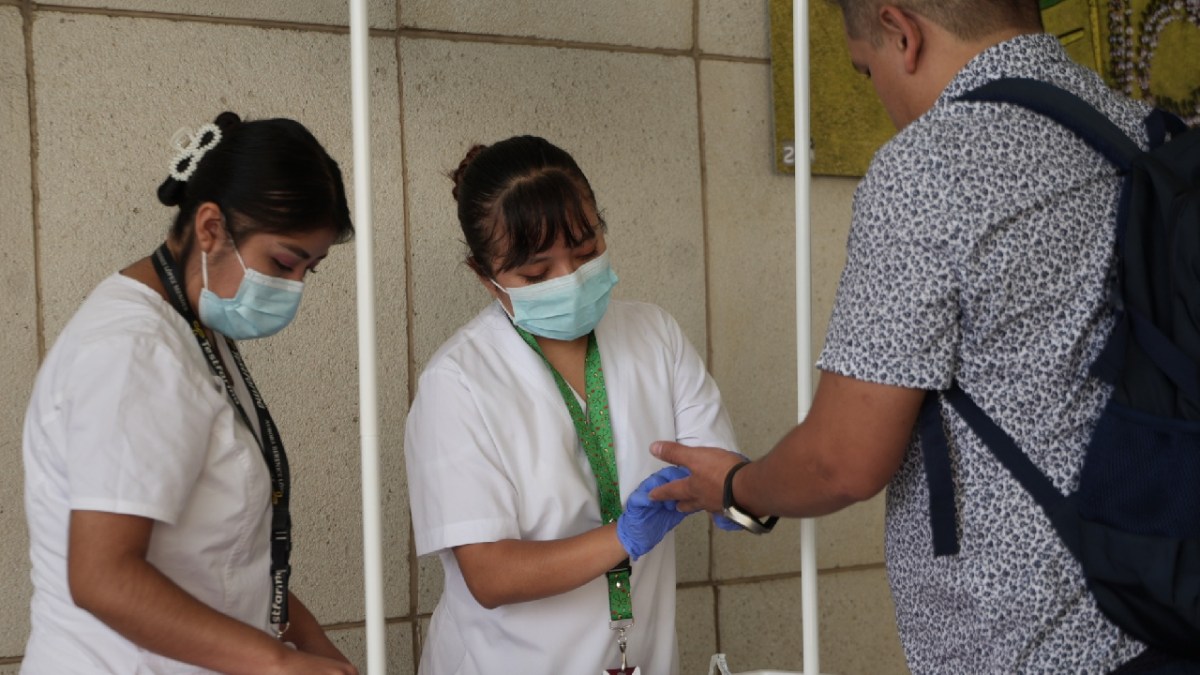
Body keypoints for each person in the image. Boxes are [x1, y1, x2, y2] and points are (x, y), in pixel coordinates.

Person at [648, 2, 1194, 672]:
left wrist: (736, 487)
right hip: (1171, 591)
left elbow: (843, 458)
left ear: (901, 33)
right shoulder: (1144, 131)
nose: (879, 95)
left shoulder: (931, 164)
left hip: (1032, 642)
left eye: (865, 69)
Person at [21, 112, 358, 674]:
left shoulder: (195, 328)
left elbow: (227, 561)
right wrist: (276, 663)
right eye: (284, 262)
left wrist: (319, 650)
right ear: (210, 228)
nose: (293, 288)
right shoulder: (134, 352)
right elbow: (103, 577)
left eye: (310, 270)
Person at [404, 135, 738, 674]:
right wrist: (622, 536)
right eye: (537, 274)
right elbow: (490, 575)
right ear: (486, 279)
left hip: (644, 658)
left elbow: (719, 471)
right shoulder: (459, 382)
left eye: (585, 253)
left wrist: (739, 496)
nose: (570, 280)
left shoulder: (654, 335)